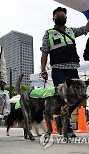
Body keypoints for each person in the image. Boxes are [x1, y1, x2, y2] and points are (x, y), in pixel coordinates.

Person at [40, 7, 89, 137]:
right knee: (63, 98)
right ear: (53, 19)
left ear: (66, 18)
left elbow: (86, 28)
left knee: (79, 96)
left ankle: (60, 119)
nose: (61, 18)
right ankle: (66, 127)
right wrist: (43, 69)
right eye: (58, 16)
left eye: (63, 16)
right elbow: (44, 51)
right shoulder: (49, 33)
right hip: (58, 69)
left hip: (73, 68)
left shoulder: (71, 31)